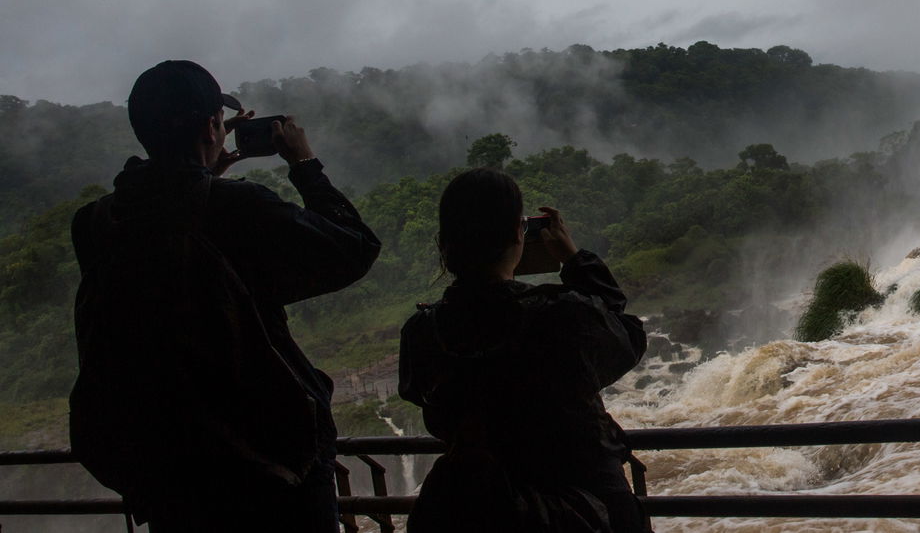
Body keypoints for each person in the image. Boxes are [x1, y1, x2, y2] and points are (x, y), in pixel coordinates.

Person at [69, 59, 381, 532]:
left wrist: (204, 172)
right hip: (270, 468)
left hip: (168, 472)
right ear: (212, 127)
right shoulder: (237, 207)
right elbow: (353, 248)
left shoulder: (94, 224)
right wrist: (304, 163)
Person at [398, 168, 648, 533]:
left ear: (444, 242)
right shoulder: (559, 315)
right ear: (520, 232)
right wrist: (574, 260)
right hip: (584, 506)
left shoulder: (422, 331)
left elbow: (416, 392)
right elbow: (626, 338)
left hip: (476, 509)